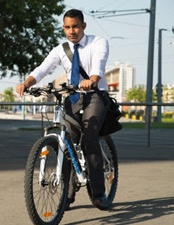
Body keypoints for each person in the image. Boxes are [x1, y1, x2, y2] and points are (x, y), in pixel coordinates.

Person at [16, 9, 110, 209]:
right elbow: (43, 68)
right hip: (73, 97)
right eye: (67, 27)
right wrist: (27, 83)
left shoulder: (98, 42)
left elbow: (98, 66)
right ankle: (67, 195)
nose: (71, 31)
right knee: (66, 142)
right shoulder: (62, 49)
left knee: (89, 138)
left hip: (94, 95)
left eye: (75, 26)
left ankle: (99, 191)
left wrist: (92, 80)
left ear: (83, 26)